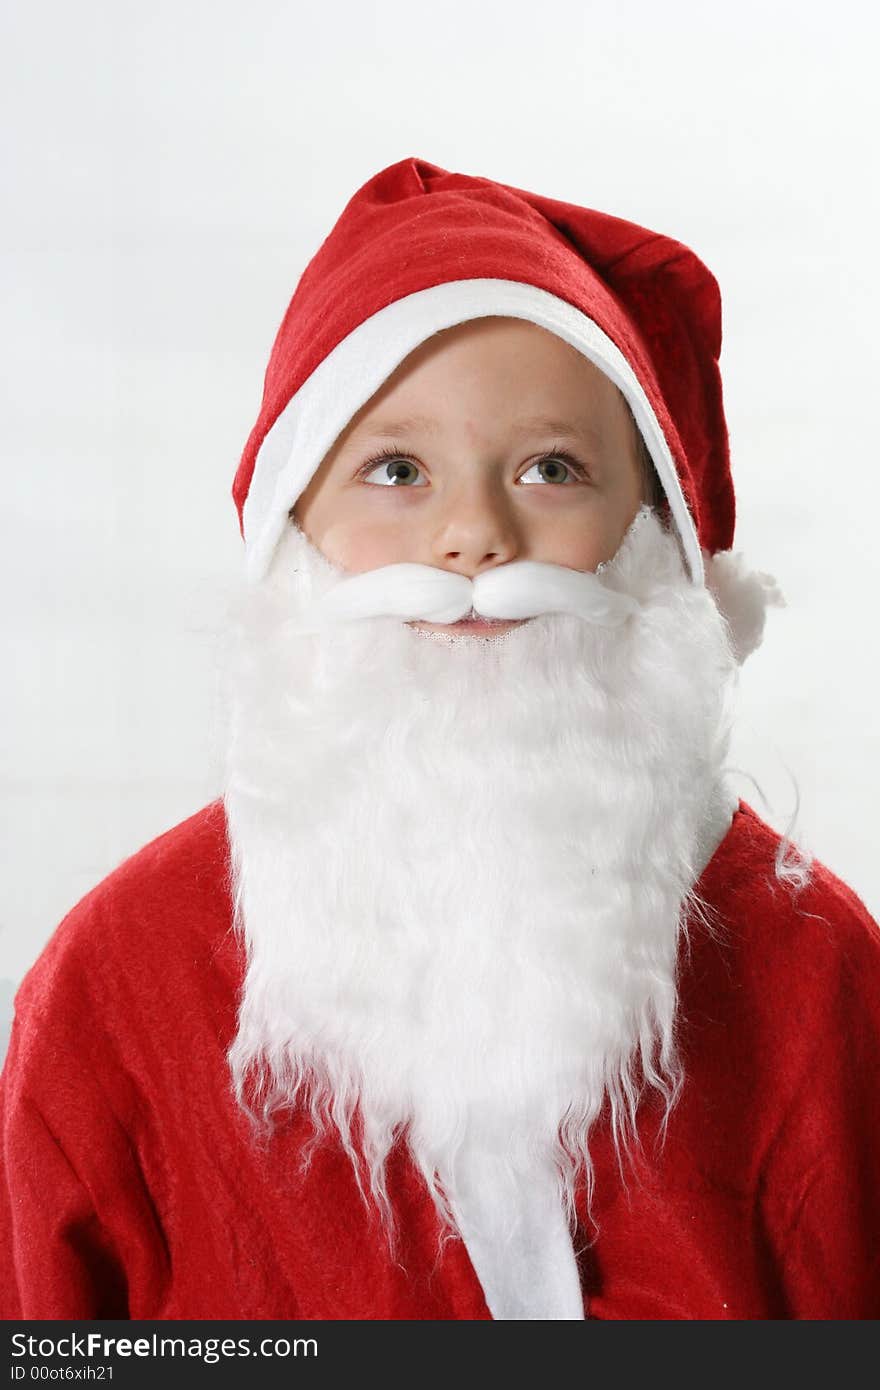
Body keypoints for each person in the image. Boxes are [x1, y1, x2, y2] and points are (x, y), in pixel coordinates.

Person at [2, 156, 879, 1321]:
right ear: (294, 532)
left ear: (650, 536)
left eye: (550, 469)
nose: (474, 536)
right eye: (396, 471)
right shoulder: (123, 972)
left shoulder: (812, 964)